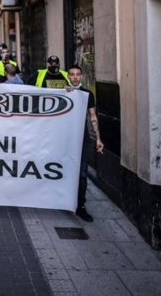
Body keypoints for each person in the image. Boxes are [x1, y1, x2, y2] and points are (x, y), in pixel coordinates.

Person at [66, 64, 104, 222]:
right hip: (66, 139)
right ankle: (65, 201)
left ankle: (80, 206)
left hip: (83, 140)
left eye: (77, 74)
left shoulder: (88, 94)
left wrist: (98, 138)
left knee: (82, 174)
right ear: (68, 76)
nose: (75, 77)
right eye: (72, 74)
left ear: (81, 76)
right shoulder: (63, 92)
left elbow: (93, 117)